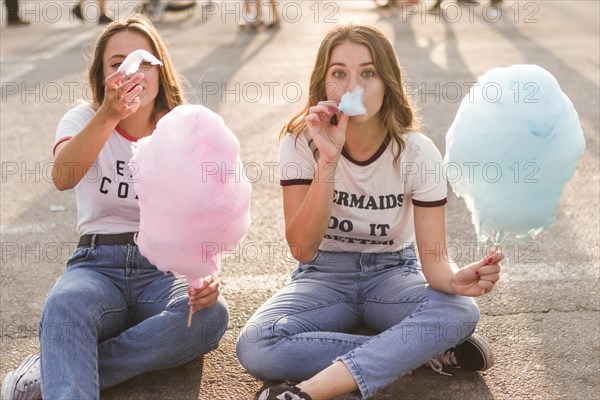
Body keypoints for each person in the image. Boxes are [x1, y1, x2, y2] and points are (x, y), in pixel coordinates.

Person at [236, 23, 503, 400]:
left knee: (461, 313)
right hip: (323, 275)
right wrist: (328, 160)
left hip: (393, 274)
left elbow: (435, 262)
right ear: (323, 83)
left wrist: (457, 281)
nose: (352, 86)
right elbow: (302, 249)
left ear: (387, 81)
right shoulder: (300, 143)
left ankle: (314, 389)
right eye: (339, 74)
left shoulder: (417, 152)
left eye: (368, 72)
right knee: (257, 346)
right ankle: (410, 349)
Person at [0, 14, 229, 400]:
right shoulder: (83, 118)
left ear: (161, 71)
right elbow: (63, 176)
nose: (132, 70)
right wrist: (110, 115)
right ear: (103, 75)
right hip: (97, 263)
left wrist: (206, 272)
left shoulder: (184, 128)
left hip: (164, 268)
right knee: (63, 308)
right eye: (117, 62)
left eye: (144, 60)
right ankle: (67, 364)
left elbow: (207, 213)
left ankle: (54, 368)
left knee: (210, 316)